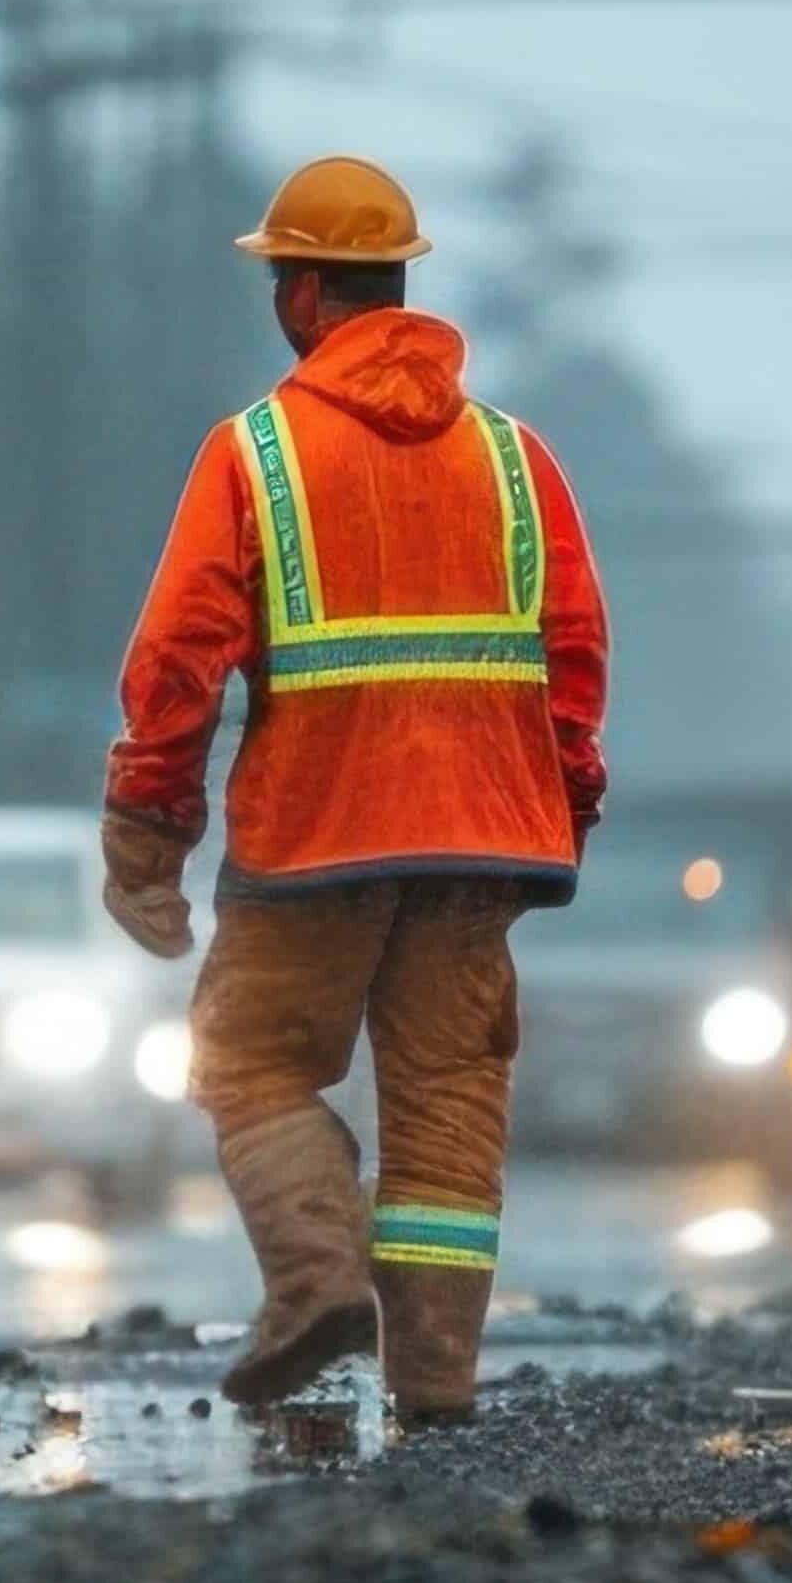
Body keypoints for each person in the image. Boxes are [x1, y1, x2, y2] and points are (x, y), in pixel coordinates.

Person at [102, 155, 611, 1428]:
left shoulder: (258, 454)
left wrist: (148, 828)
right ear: (402, 288)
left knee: (248, 1061)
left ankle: (318, 1277)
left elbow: (178, 659)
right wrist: (565, 801)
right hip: (484, 846)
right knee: (446, 1104)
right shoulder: (515, 459)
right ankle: (434, 1387)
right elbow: (575, 655)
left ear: (304, 297)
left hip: (315, 839)